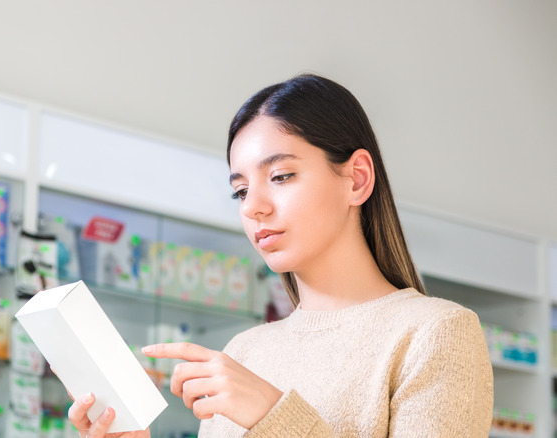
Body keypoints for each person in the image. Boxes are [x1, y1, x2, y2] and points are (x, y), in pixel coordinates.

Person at [67, 74, 494, 437]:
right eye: (240, 191)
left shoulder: (435, 333)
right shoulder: (243, 352)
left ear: (357, 179)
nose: (253, 206)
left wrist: (272, 414)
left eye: (281, 176)